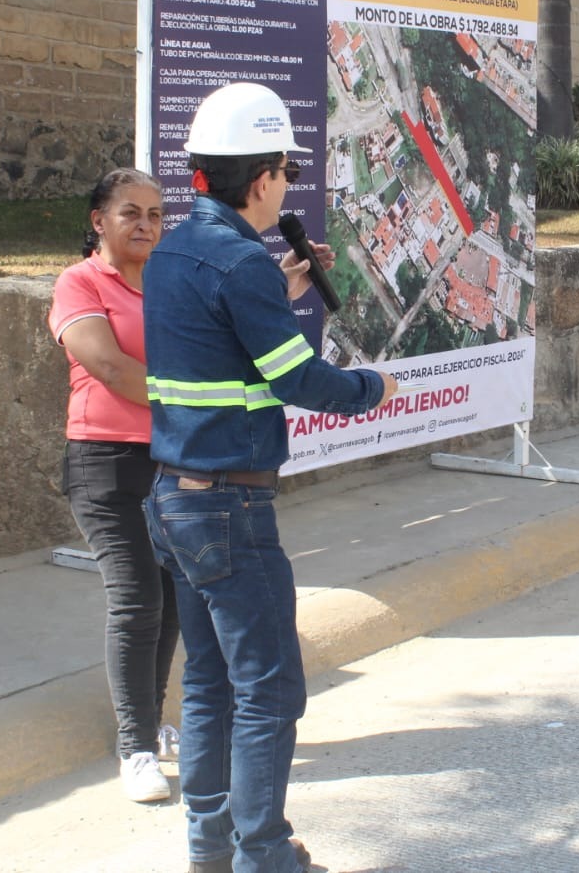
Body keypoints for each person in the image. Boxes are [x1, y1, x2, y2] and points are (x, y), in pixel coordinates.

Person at [142, 82, 399, 873]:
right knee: (270, 692)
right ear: (260, 180)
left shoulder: (176, 253)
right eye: (286, 171)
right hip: (229, 509)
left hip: (175, 498)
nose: (289, 184)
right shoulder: (239, 265)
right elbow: (300, 382)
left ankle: (211, 852)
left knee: (211, 686)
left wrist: (277, 294)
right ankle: (265, 858)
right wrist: (375, 388)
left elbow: (218, 347)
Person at [48, 168, 181, 803]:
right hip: (103, 462)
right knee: (137, 598)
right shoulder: (79, 283)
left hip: (169, 458)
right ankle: (134, 749)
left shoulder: (163, 283)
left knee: (174, 597)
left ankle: (152, 726)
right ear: (99, 221)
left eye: (156, 215)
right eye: (131, 213)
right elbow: (106, 365)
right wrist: (190, 398)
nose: (146, 226)